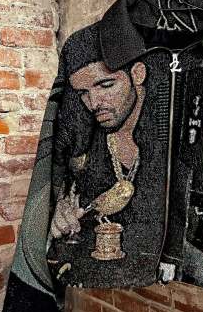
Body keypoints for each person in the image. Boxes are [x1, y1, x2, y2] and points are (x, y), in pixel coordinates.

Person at [49, 59, 147, 239]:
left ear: (137, 74)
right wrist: (57, 209)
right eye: (83, 93)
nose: (93, 103)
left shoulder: (173, 126)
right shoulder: (80, 134)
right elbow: (60, 190)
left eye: (106, 85)